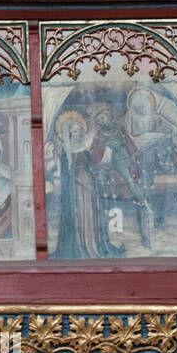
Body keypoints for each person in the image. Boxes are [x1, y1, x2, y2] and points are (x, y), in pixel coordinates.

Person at [51, 110, 121, 259]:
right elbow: (68, 176)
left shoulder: (84, 149)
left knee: (91, 218)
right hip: (77, 192)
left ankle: (93, 244)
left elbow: (91, 167)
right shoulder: (66, 153)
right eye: (75, 131)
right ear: (69, 134)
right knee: (80, 220)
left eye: (80, 130)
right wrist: (82, 179)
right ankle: (81, 245)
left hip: (90, 192)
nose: (79, 133)